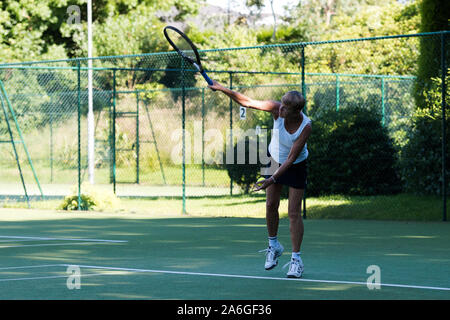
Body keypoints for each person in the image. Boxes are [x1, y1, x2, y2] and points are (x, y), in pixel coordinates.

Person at [208, 80, 311, 278]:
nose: (280, 108)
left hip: (295, 165)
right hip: (273, 158)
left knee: (293, 213)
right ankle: (273, 245)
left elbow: (290, 159)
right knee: (271, 204)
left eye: (285, 107)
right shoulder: (276, 109)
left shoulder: (305, 126)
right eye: (281, 104)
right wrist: (222, 89)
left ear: (295, 111)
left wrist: (272, 179)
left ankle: (296, 260)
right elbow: (247, 102)